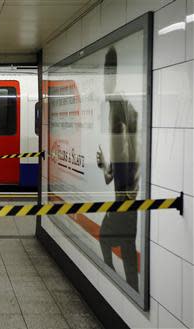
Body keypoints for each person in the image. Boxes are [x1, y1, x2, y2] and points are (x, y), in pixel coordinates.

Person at [96, 46, 140, 292]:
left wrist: (129, 194)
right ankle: (127, 289)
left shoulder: (122, 108)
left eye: (109, 73)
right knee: (128, 256)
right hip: (124, 202)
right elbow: (111, 176)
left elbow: (134, 151)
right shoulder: (115, 106)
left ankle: (115, 284)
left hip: (125, 203)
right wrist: (106, 166)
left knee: (104, 238)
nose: (105, 80)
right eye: (105, 73)